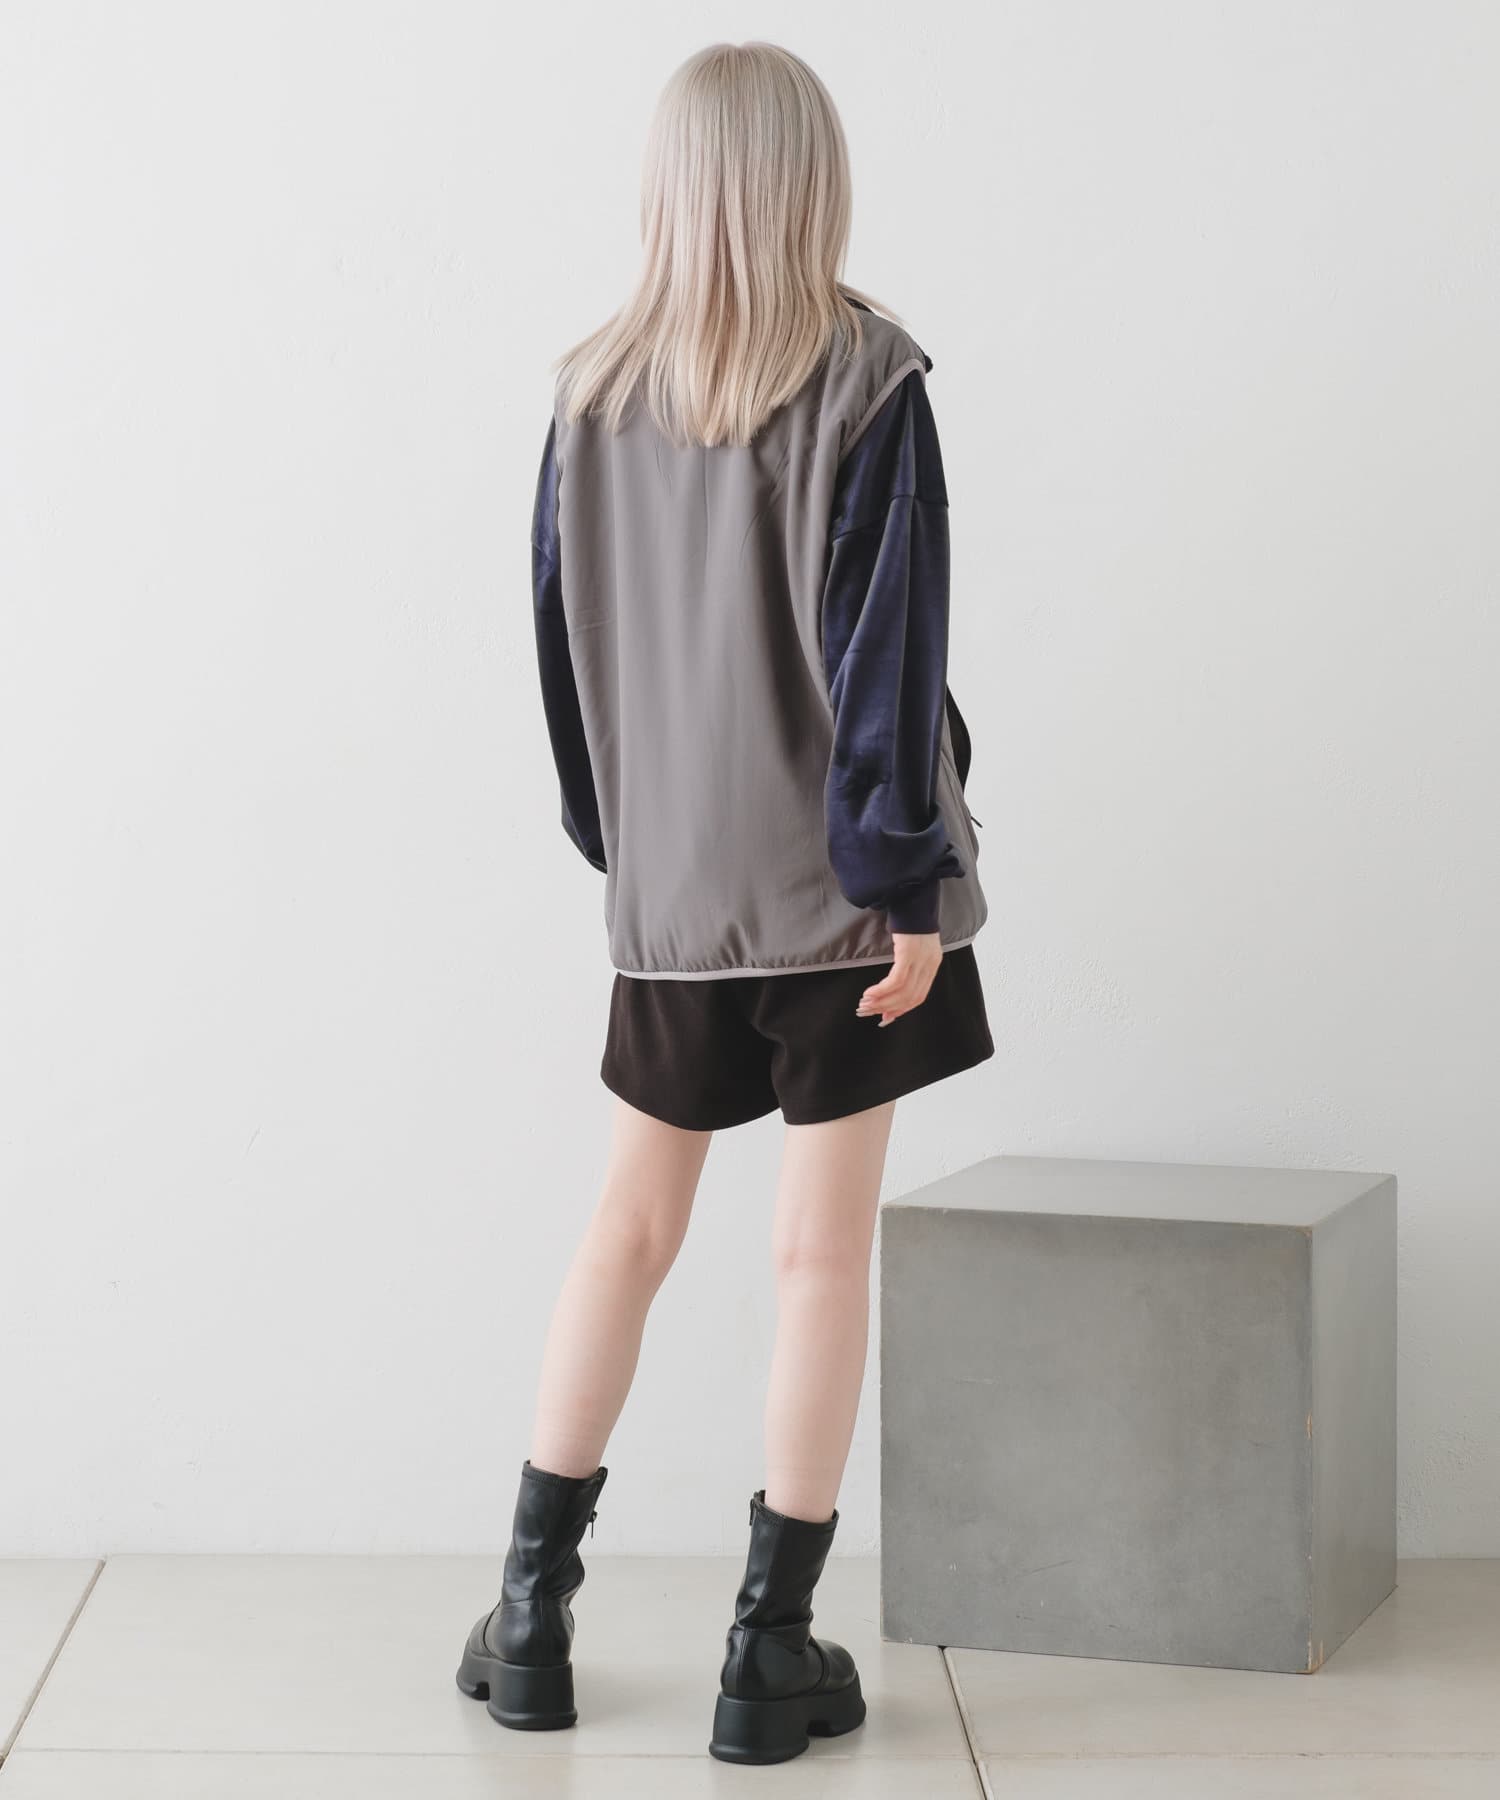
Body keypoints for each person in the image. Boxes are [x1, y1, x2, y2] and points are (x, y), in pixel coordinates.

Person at [456, 38, 992, 1767]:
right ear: (814, 183)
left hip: (675, 897)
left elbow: (563, 659)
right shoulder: (871, 381)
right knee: (817, 1252)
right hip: (847, 908)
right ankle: (769, 1652)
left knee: (624, 1234)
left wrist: (628, 849)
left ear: (669, 187)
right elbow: (887, 655)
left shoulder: (590, 396)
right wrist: (909, 883)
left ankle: (529, 1620)